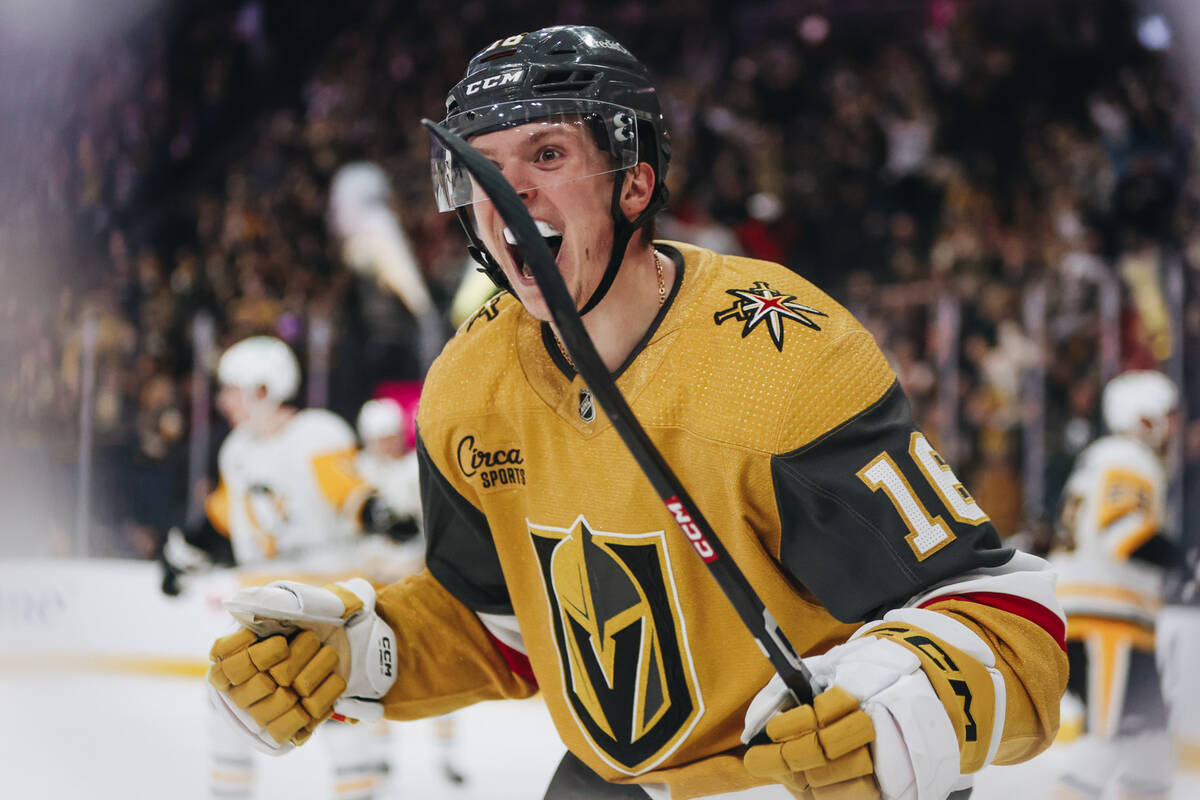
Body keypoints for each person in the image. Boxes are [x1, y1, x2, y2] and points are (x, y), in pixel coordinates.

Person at [204, 27, 1067, 800]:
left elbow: (1002, 617)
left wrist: (906, 707)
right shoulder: (468, 387)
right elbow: (503, 624)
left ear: (633, 182)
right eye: (485, 168)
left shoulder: (778, 356)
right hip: (617, 784)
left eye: (546, 155)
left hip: (796, 780)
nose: (513, 198)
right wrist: (362, 652)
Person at [165, 335, 415, 800]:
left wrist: (377, 513)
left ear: (265, 389)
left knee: (339, 708)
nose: (224, 401)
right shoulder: (236, 449)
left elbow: (346, 488)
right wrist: (182, 553)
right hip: (257, 603)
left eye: (233, 389)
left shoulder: (316, 432)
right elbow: (225, 512)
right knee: (229, 703)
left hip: (318, 598)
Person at [1049, 370, 1180, 799]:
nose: (1173, 426)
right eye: (1167, 415)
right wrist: (1188, 562)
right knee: (1108, 739)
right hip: (1106, 620)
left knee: (1149, 741)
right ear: (1143, 419)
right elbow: (1125, 534)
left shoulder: (1104, 456)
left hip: (1112, 619)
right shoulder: (1127, 458)